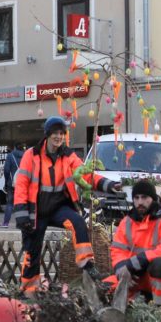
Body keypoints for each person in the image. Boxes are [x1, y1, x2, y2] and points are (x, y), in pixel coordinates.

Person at [13, 116, 122, 296]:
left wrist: (109, 185)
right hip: (36, 210)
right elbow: (22, 184)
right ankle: (28, 288)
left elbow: (86, 175)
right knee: (33, 248)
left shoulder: (68, 156)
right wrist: (21, 214)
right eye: (55, 133)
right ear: (47, 135)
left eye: (62, 133)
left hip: (58, 207)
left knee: (78, 221)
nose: (59, 137)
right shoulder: (31, 155)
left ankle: (87, 264)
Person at [106, 179, 161, 306]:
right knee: (103, 287)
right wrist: (122, 269)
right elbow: (117, 251)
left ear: (153, 199)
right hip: (134, 276)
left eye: (144, 197)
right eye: (136, 198)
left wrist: (132, 265)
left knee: (159, 264)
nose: (139, 202)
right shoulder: (127, 221)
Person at [1, 142, 25, 228]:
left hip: (12, 184)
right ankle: (21, 223)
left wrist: (7, 181)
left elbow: (6, 170)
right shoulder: (26, 156)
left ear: (15, 147)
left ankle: (5, 223)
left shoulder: (10, 156)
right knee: (22, 204)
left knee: (10, 203)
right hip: (23, 184)